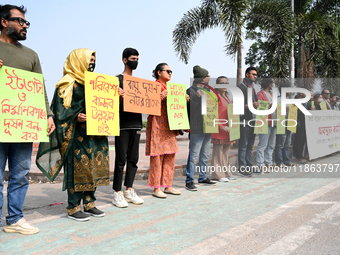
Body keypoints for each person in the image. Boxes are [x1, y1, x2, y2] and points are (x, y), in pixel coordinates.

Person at [0, 4, 55, 234]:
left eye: (26, 22)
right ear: (4, 22)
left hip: (22, 126)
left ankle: (15, 219)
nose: (24, 26)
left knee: (20, 173)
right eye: (20, 21)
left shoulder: (31, 55)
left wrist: (48, 115)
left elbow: (39, 89)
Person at [37, 48, 109, 221]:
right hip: (76, 135)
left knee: (94, 167)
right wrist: (76, 116)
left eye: (93, 59)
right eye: (89, 59)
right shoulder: (67, 83)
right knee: (78, 169)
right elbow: (59, 110)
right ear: (78, 60)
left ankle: (90, 203)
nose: (92, 62)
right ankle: (73, 207)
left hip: (96, 134)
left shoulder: (97, 83)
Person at [146, 63, 186, 198]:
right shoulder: (153, 87)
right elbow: (146, 105)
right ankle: (156, 188)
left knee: (170, 155)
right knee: (157, 157)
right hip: (157, 125)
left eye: (171, 71)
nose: (170, 73)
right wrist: (160, 97)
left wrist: (183, 99)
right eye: (167, 71)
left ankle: (168, 185)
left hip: (170, 126)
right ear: (159, 72)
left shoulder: (172, 88)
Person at [112, 48, 144, 208]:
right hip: (122, 125)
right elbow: (108, 102)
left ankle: (129, 190)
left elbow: (148, 102)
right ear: (125, 60)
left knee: (133, 159)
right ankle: (117, 192)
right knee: (120, 159)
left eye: (137, 58)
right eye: (133, 58)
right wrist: (116, 95)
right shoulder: (117, 80)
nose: (135, 61)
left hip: (137, 124)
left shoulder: (140, 83)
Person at [185, 65, 217, 191]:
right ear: (202, 78)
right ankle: (189, 180)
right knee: (193, 155)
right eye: (207, 75)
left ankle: (203, 176)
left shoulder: (209, 91)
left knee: (204, 154)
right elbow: (189, 110)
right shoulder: (190, 91)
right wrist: (197, 98)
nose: (209, 77)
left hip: (208, 127)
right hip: (197, 128)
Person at [211, 76, 236, 181]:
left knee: (225, 153)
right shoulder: (214, 96)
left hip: (228, 129)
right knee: (218, 153)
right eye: (222, 83)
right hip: (219, 129)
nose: (224, 85)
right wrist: (221, 126)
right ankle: (217, 175)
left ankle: (226, 173)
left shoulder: (227, 96)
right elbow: (211, 113)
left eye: (226, 83)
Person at [237, 67, 259, 177]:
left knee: (250, 145)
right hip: (244, 120)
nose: (255, 76)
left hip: (253, 119)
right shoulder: (241, 87)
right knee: (243, 145)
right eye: (253, 74)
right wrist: (250, 105)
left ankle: (249, 166)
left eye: (256, 74)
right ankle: (242, 167)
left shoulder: (252, 88)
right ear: (247, 74)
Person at [256, 77, 276, 172]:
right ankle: (260, 164)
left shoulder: (271, 94)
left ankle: (268, 162)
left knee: (271, 144)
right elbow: (259, 106)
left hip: (273, 121)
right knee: (263, 144)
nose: (273, 84)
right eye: (272, 82)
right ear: (268, 84)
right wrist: (269, 106)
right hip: (265, 121)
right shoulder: (260, 94)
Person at [274, 86, 295, 168]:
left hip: (290, 123)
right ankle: (279, 162)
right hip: (281, 124)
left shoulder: (290, 100)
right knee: (280, 144)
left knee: (287, 143)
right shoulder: (278, 99)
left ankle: (287, 161)